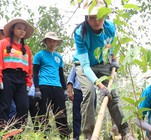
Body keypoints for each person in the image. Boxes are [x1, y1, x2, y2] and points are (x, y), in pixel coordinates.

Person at [73, 1, 134, 139]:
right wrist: (100, 87)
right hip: (84, 65)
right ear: (86, 18)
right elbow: (86, 66)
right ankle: (89, 136)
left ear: (105, 15)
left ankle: (125, 133)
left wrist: (113, 59)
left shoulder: (110, 27)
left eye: (99, 16)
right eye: (92, 17)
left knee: (113, 96)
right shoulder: (80, 33)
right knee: (89, 93)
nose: (96, 21)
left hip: (103, 62)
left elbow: (110, 44)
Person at [33, 32, 70, 139]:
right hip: (44, 86)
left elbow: (61, 74)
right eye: (50, 40)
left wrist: (65, 90)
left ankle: (65, 137)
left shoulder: (59, 57)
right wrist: (36, 88)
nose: (52, 43)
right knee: (43, 113)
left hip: (57, 87)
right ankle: (42, 136)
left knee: (61, 113)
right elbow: (35, 72)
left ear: (57, 42)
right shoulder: (39, 55)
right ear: (45, 42)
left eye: (54, 41)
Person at [0, 18, 34, 129]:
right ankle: (2, 132)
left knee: (24, 106)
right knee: (5, 106)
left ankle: (16, 133)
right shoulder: (3, 43)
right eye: (19, 28)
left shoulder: (27, 49)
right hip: (7, 76)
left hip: (21, 79)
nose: (21, 31)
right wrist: (0, 79)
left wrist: (28, 83)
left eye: (24, 29)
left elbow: (29, 68)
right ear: (12, 29)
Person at [67, 65, 83, 140]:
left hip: (91, 92)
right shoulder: (77, 65)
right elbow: (70, 80)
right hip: (78, 92)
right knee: (77, 115)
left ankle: (90, 136)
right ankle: (76, 137)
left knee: (90, 114)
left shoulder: (94, 64)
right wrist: (70, 92)